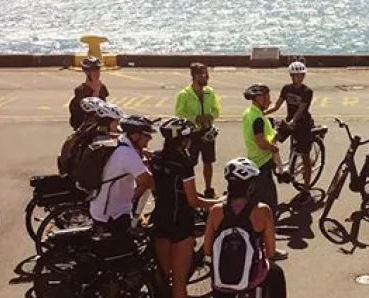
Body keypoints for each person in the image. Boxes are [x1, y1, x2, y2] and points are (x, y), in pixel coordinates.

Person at [152, 118, 221, 298]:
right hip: (180, 224)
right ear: (183, 139)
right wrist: (218, 202)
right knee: (179, 286)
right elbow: (193, 200)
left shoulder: (156, 158)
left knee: (162, 279)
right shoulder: (184, 163)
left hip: (159, 220)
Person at [205, 158, 287, 297]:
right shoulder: (262, 211)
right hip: (252, 278)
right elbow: (271, 252)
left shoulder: (215, 211)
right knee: (276, 273)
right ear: (251, 186)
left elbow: (207, 250)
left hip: (222, 282)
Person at [89, 114, 155, 245]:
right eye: (147, 135)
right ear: (135, 136)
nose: (150, 138)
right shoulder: (127, 154)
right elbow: (149, 181)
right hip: (112, 214)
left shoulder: (122, 143)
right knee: (129, 256)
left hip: (101, 205)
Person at [240, 84, 287, 260]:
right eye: (266, 96)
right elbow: (261, 142)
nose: (269, 100)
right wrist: (273, 147)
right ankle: (271, 250)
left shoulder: (250, 113)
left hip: (254, 163)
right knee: (269, 210)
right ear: (257, 98)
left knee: (253, 205)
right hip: (262, 165)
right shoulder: (258, 118)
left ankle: (255, 243)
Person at [264, 61, 312, 199]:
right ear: (291, 75)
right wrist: (262, 113)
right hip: (289, 122)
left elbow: (301, 109)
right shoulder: (286, 89)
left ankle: (306, 189)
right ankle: (281, 171)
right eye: (297, 75)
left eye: (302, 75)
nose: (300, 77)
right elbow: (277, 106)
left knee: (305, 156)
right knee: (272, 141)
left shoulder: (307, 91)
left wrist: (293, 122)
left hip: (303, 124)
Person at [174, 62, 222, 198]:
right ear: (194, 76)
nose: (206, 77)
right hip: (191, 134)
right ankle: (189, 190)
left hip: (207, 131)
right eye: (202, 75)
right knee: (190, 163)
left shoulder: (210, 92)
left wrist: (211, 116)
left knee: (208, 161)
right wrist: (195, 118)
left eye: (206, 74)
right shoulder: (184, 94)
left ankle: (208, 189)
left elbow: (217, 109)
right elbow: (179, 113)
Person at [68, 56, 109, 130]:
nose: (97, 72)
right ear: (87, 72)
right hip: (85, 129)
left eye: (98, 69)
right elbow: (78, 117)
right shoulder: (81, 91)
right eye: (94, 70)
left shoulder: (102, 88)